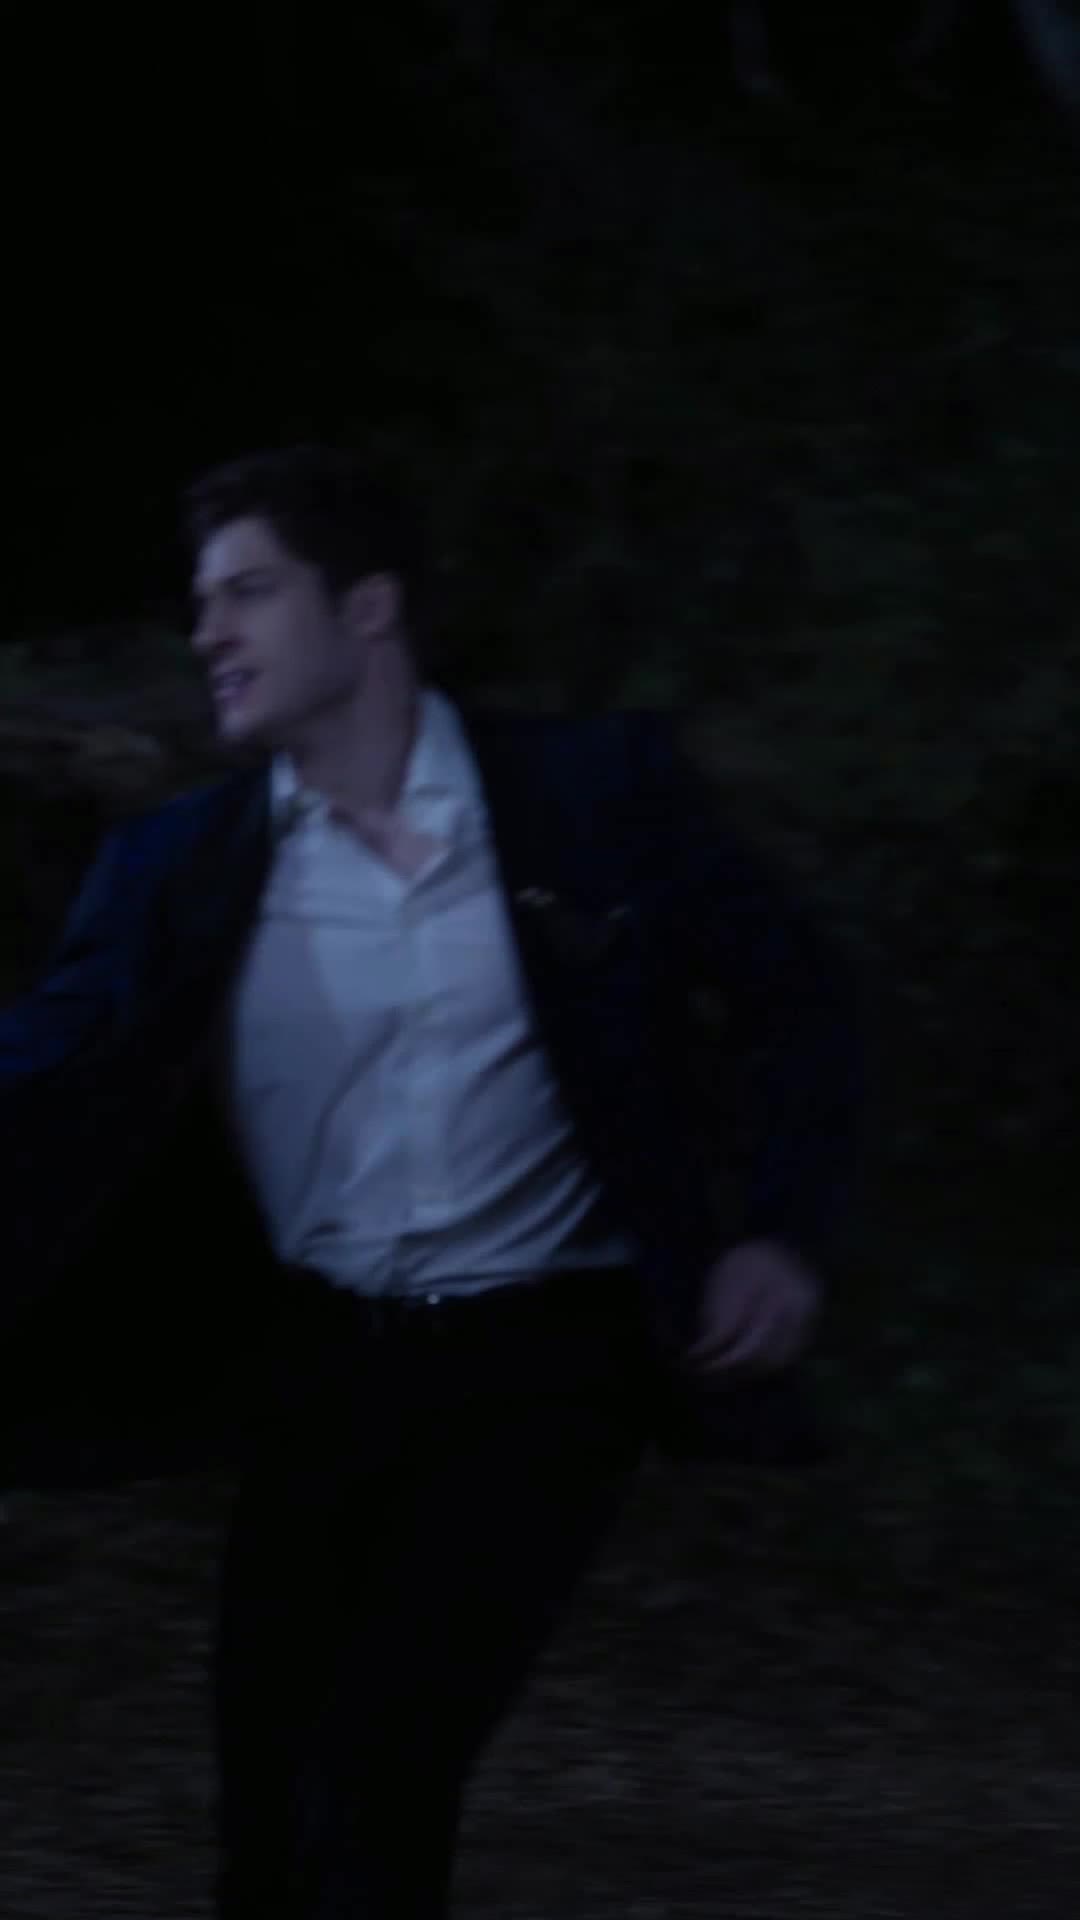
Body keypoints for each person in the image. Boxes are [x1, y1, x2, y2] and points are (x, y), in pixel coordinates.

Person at [0, 445, 863, 1917]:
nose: (208, 633)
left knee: (378, 1777)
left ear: (370, 608)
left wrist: (775, 1231)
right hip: (316, 1361)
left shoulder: (594, 798)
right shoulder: (178, 865)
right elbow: (39, 1065)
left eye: (249, 593)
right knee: (267, 1800)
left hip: (546, 1366)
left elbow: (803, 1003)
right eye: (202, 603)